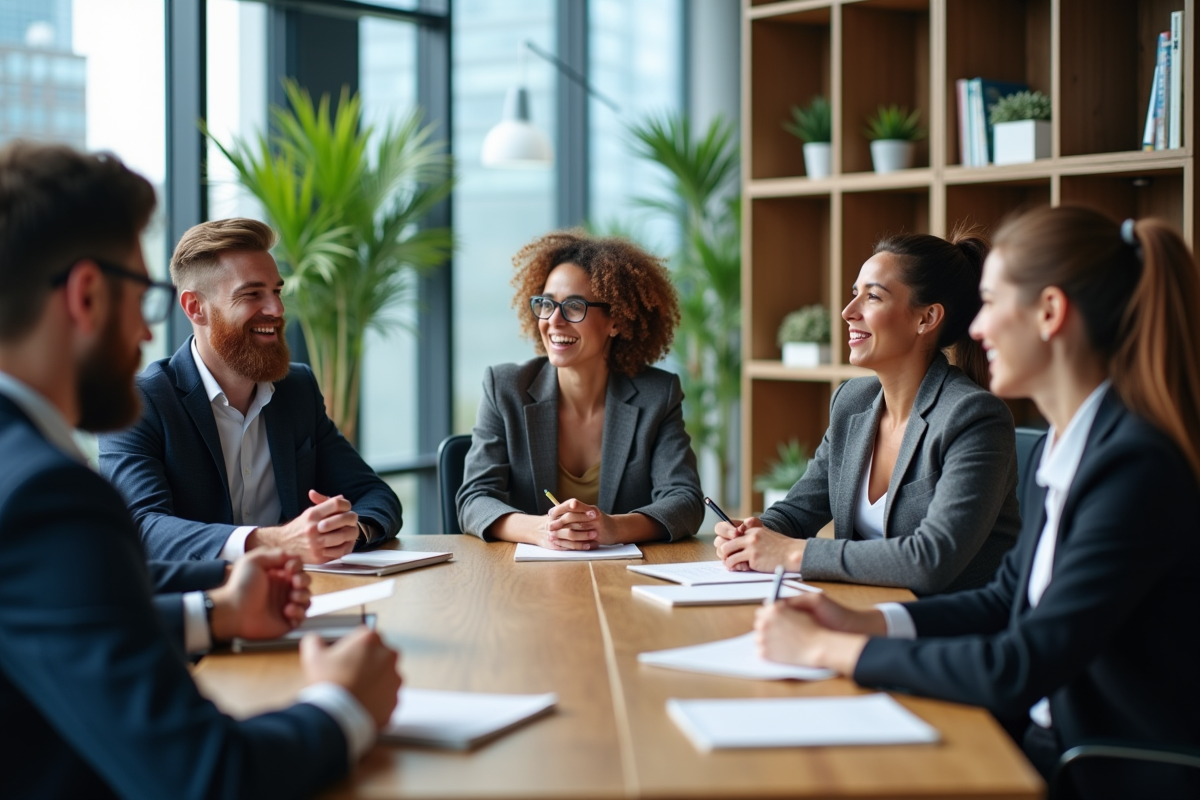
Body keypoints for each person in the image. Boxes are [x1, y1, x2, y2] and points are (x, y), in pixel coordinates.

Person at [0, 142, 402, 798]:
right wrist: (345, 703)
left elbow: (56, 617)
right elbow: (207, 778)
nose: (145, 332)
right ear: (86, 295)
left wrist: (212, 613)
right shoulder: (48, 494)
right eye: (144, 297)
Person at [755, 206, 1200, 798]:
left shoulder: (1134, 468)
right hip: (1044, 741)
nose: (979, 328)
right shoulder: (1062, 450)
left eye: (990, 303)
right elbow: (1004, 600)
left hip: (1092, 765)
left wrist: (832, 648)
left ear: (1049, 314)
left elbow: (1019, 665)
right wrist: (867, 621)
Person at [716, 228, 1021, 594]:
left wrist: (793, 554)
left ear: (926, 318)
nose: (848, 312)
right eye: (853, 294)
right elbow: (798, 512)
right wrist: (752, 533)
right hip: (861, 608)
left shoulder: (973, 417)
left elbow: (930, 561)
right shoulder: (852, 402)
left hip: (949, 630)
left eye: (872, 297)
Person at [98, 218, 402, 563]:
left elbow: (375, 495)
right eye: (252, 294)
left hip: (303, 595)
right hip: (202, 605)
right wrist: (273, 541)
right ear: (195, 308)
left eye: (276, 291)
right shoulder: (138, 403)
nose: (277, 309)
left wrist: (347, 533)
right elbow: (142, 527)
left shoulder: (297, 389)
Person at [457, 230, 703, 548]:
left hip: (623, 581)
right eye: (546, 304)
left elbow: (686, 501)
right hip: (524, 582)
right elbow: (474, 499)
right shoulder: (505, 389)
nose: (554, 321)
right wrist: (540, 530)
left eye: (574, 306)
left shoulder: (658, 395)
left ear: (616, 321)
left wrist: (614, 528)